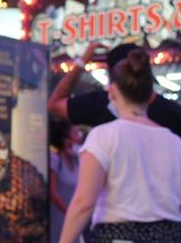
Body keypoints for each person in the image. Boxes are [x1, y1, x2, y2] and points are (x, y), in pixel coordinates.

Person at [59, 49, 181, 242]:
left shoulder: (103, 136)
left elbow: (83, 203)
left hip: (118, 235)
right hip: (169, 236)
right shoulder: (174, 143)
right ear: (150, 95)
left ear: (112, 91)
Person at [49, 42, 181, 136]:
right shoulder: (173, 113)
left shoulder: (100, 106)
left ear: (113, 82)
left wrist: (82, 62)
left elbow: (55, 105)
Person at [48, 120, 82, 243]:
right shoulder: (55, 159)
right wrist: (69, 213)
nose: (79, 138)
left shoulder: (78, 161)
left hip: (74, 220)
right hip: (59, 218)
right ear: (65, 139)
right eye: (75, 133)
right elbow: (52, 192)